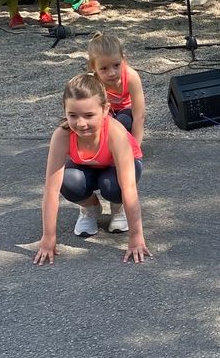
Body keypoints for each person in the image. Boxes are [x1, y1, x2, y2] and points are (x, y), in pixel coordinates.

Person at [34, 74, 150, 265]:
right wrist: (48, 237)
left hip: (118, 168)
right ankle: (90, 207)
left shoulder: (115, 132)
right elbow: (51, 190)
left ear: (105, 110)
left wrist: (136, 237)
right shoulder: (62, 135)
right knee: (69, 181)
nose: (80, 123)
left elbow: (129, 187)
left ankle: (117, 207)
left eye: (89, 115)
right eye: (73, 115)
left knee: (112, 186)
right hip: (88, 166)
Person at [87, 31, 146, 145]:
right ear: (93, 67)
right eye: (104, 68)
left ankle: (123, 144)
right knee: (99, 123)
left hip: (126, 112)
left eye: (116, 65)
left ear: (123, 60)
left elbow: (139, 116)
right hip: (105, 112)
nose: (112, 73)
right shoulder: (93, 81)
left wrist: (136, 148)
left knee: (122, 121)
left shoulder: (131, 77)